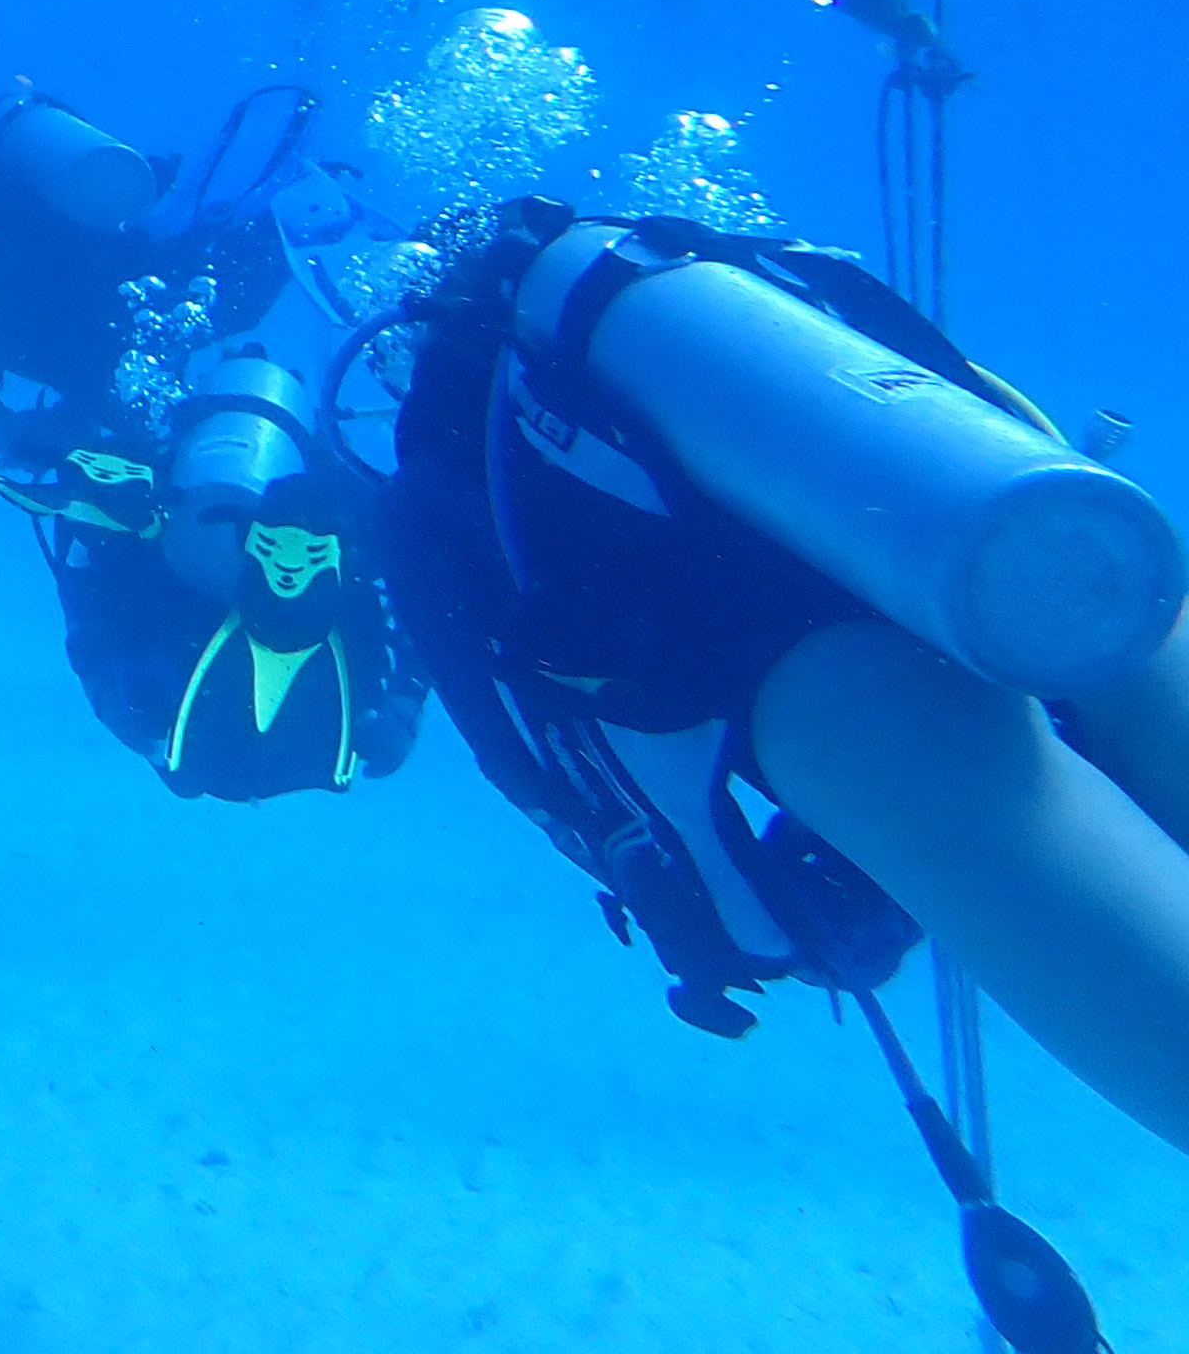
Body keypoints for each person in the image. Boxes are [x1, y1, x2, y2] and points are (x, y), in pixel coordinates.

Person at [368, 197, 1189, 1341]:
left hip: (793, 665)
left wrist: (740, 920)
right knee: (1126, 654)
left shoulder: (454, 433)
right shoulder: (758, 278)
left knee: (1010, 827)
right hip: (1028, 543)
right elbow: (980, 408)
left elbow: (545, 754)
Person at [0, 79, 424, 803]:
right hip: (112, 302)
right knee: (191, 287)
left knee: (178, 320)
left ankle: (272, 210)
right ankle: (279, 208)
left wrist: (35, 439)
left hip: (93, 329)